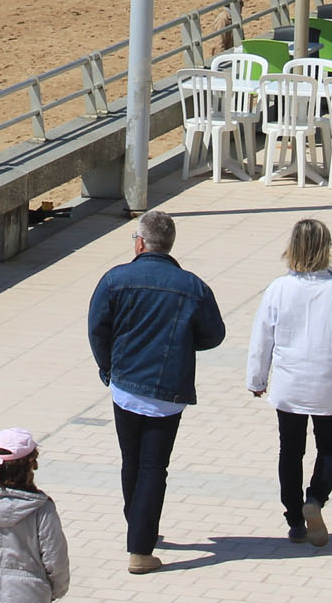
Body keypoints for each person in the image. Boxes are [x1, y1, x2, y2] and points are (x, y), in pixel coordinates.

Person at [87, 209, 226, 574]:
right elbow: (214, 334)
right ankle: (141, 544)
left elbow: (97, 328)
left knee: (132, 461)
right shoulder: (192, 286)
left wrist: (108, 368)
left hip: (126, 386)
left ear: (140, 243)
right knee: (153, 467)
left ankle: (139, 527)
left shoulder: (116, 279)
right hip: (167, 391)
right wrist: (182, 340)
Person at [246, 219, 332, 547]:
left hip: (290, 386)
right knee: (330, 447)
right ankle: (315, 499)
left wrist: (257, 378)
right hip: (330, 386)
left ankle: (294, 520)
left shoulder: (278, 289)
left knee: (291, 451)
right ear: (327, 250)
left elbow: (262, 339)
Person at [0, 429, 68, 603]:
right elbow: (55, 558)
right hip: (31, 594)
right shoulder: (42, 509)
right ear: (30, 466)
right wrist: (52, 591)